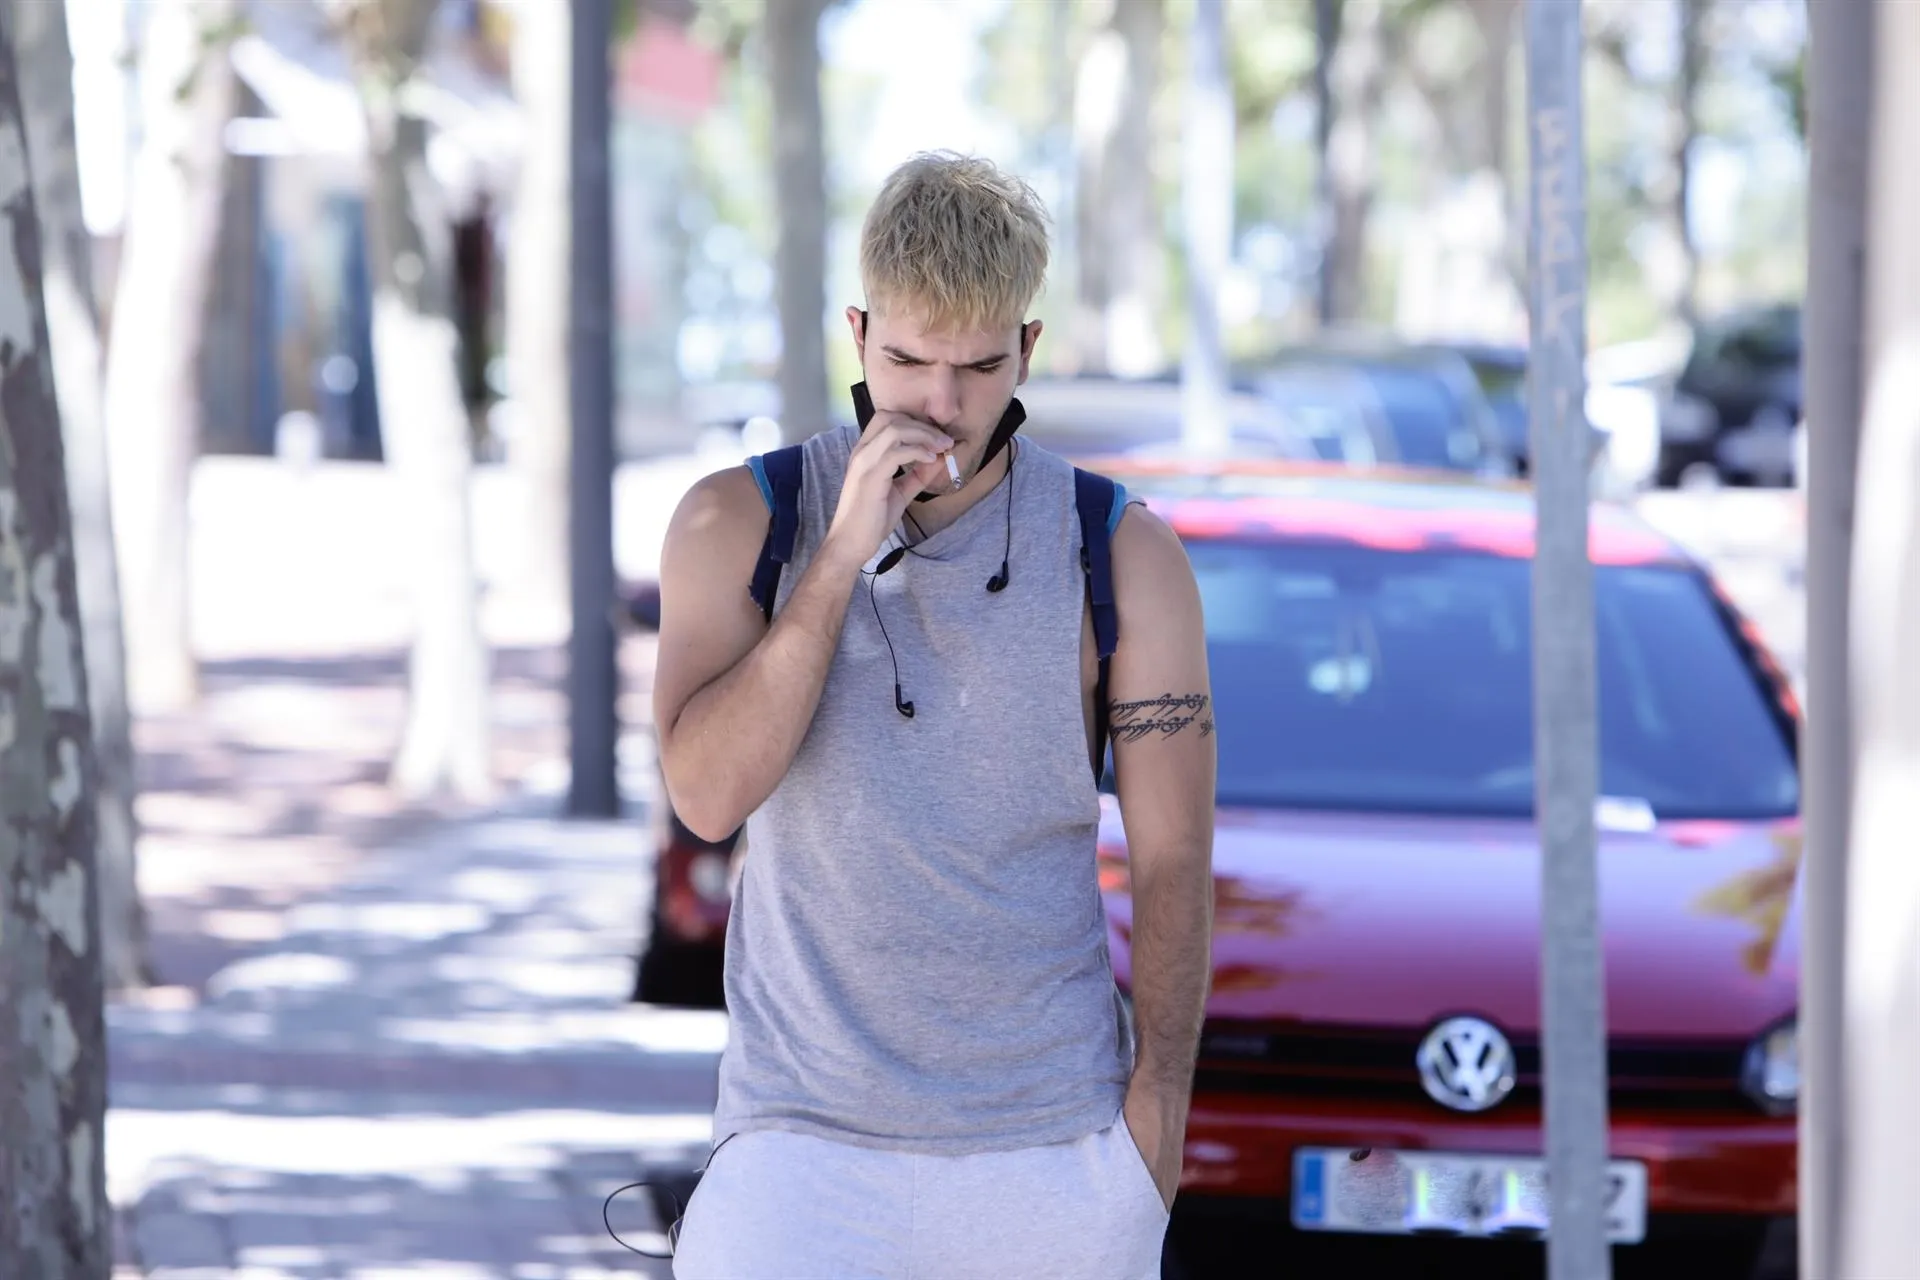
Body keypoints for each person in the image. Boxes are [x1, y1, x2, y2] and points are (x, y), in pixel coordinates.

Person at [654, 151, 1215, 1279]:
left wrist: (1153, 1123)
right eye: (908, 360)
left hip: (1054, 1153)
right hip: (799, 1147)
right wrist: (843, 551)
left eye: (978, 365)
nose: (942, 405)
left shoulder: (1123, 551)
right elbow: (706, 798)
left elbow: (1175, 859)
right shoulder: (736, 523)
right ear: (856, 334)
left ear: (1030, 349)